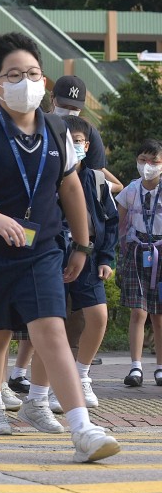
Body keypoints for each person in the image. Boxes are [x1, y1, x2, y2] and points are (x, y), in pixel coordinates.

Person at [0, 32, 119, 462]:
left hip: (41, 251)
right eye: (14, 75)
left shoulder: (57, 130)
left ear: (44, 81)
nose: (25, 82)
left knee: (50, 329)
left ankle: (82, 428)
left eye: (32, 73)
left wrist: (82, 246)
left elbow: (71, 188)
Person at [50, 115, 117, 407]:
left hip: (88, 258)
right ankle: (53, 386)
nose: (74, 147)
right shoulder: (48, 178)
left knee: (98, 317)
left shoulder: (97, 180)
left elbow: (110, 222)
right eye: (68, 142)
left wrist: (106, 258)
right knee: (52, 323)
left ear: (87, 146)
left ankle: (82, 375)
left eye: (78, 142)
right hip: (53, 257)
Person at [115, 139, 162, 388]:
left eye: (154, 162)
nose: (148, 166)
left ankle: (160, 368)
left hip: (161, 253)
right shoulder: (131, 191)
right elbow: (120, 225)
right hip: (136, 252)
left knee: (159, 315)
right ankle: (135, 367)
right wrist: (121, 255)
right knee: (138, 311)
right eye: (143, 160)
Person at [50, 76, 121, 194]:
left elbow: (96, 173)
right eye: (64, 106)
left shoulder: (89, 131)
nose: (69, 112)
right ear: (52, 97)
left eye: (74, 108)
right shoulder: (40, 125)